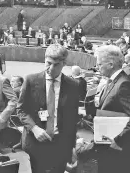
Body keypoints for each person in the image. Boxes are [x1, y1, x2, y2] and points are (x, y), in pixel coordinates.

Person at [17, 44, 84, 173]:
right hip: (36, 142)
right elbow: (21, 110)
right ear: (44, 59)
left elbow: (72, 119)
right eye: (48, 63)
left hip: (60, 143)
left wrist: (72, 147)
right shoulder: (31, 80)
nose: (51, 68)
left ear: (64, 64)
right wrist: (34, 128)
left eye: (56, 65)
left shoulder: (73, 85)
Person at [93, 45, 130, 173]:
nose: (97, 67)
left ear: (111, 64)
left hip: (118, 151)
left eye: (99, 64)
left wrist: (117, 140)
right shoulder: (113, 81)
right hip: (108, 146)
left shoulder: (124, 84)